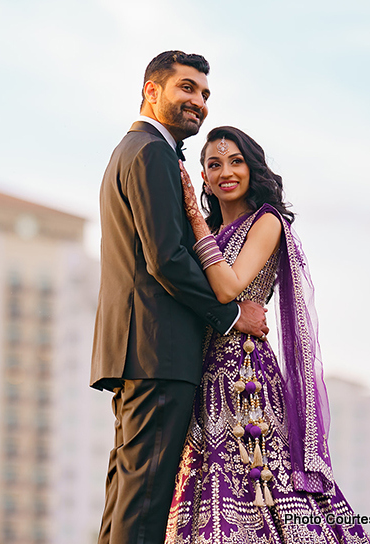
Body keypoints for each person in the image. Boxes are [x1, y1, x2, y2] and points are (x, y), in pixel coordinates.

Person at [91, 52, 270, 544]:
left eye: (205, 94)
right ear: (152, 90)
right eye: (187, 88)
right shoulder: (150, 151)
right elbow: (166, 259)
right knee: (146, 499)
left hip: (140, 349)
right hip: (158, 350)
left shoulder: (137, 150)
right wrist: (232, 315)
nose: (199, 101)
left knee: (129, 494)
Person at [165, 126, 370, 543]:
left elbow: (229, 286)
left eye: (236, 161)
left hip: (246, 380)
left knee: (259, 481)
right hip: (201, 375)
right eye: (214, 164)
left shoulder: (267, 222)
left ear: (252, 168)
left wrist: (190, 213)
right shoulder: (202, 232)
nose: (226, 171)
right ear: (203, 177)